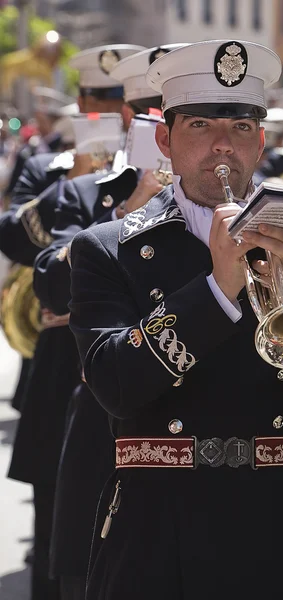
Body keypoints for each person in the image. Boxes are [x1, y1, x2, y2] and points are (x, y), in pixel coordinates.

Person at [68, 40, 283, 600]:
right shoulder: (108, 249)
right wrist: (217, 288)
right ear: (166, 140)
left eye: (242, 128)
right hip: (157, 526)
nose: (224, 145)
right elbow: (113, 384)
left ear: (262, 141)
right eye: (201, 125)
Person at [32, 44, 184, 600]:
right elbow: (48, 281)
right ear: (128, 116)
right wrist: (127, 214)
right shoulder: (85, 192)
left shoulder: (230, 200)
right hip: (106, 423)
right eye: (150, 107)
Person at [2, 43, 144, 600]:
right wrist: (75, 178)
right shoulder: (53, 170)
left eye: (122, 101)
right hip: (64, 372)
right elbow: (16, 237)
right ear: (82, 101)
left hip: (133, 378)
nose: (111, 111)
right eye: (100, 99)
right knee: (60, 531)